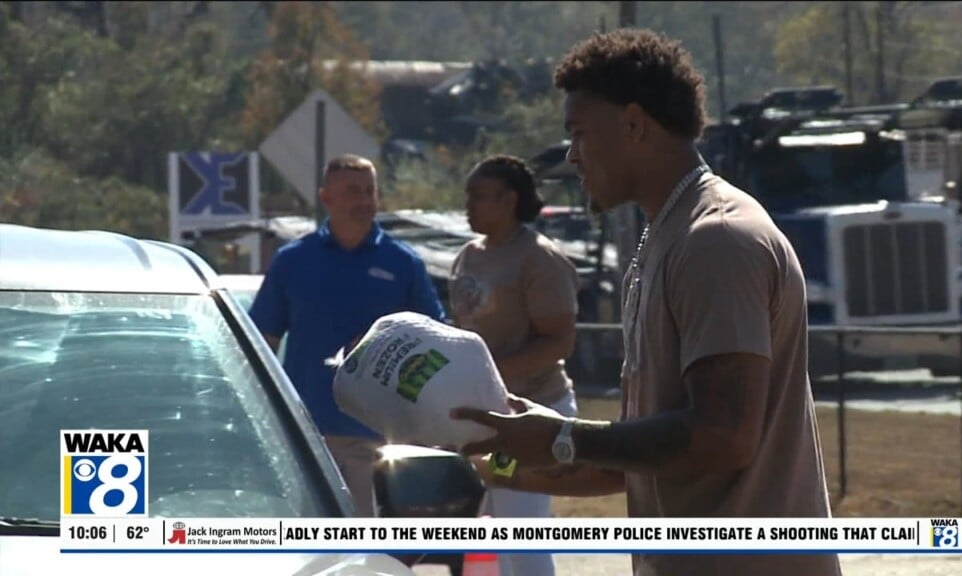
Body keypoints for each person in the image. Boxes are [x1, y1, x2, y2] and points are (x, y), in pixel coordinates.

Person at [451, 29, 842, 576]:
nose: (572, 155)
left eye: (580, 133)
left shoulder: (718, 239)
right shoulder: (666, 237)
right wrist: (501, 461)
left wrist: (563, 437)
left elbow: (723, 437)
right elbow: (641, 461)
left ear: (634, 124)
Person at [249, 154, 447, 518]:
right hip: (304, 434)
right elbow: (262, 344)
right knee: (304, 546)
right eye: (353, 191)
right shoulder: (293, 261)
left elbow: (436, 339)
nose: (364, 201)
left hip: (374, 435)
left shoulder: (402, 263)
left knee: (361, 545)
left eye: (370, 191)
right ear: (326, 198)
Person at [449, 154, 581, 576]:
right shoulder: (468, 255)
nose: (467, 205)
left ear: (508, 200)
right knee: (493, 528)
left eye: (477, 196)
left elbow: (559, 340)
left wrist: (490, 374)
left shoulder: (538, 258)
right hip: (486, 418)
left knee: (520, 531)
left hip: (534, 417)